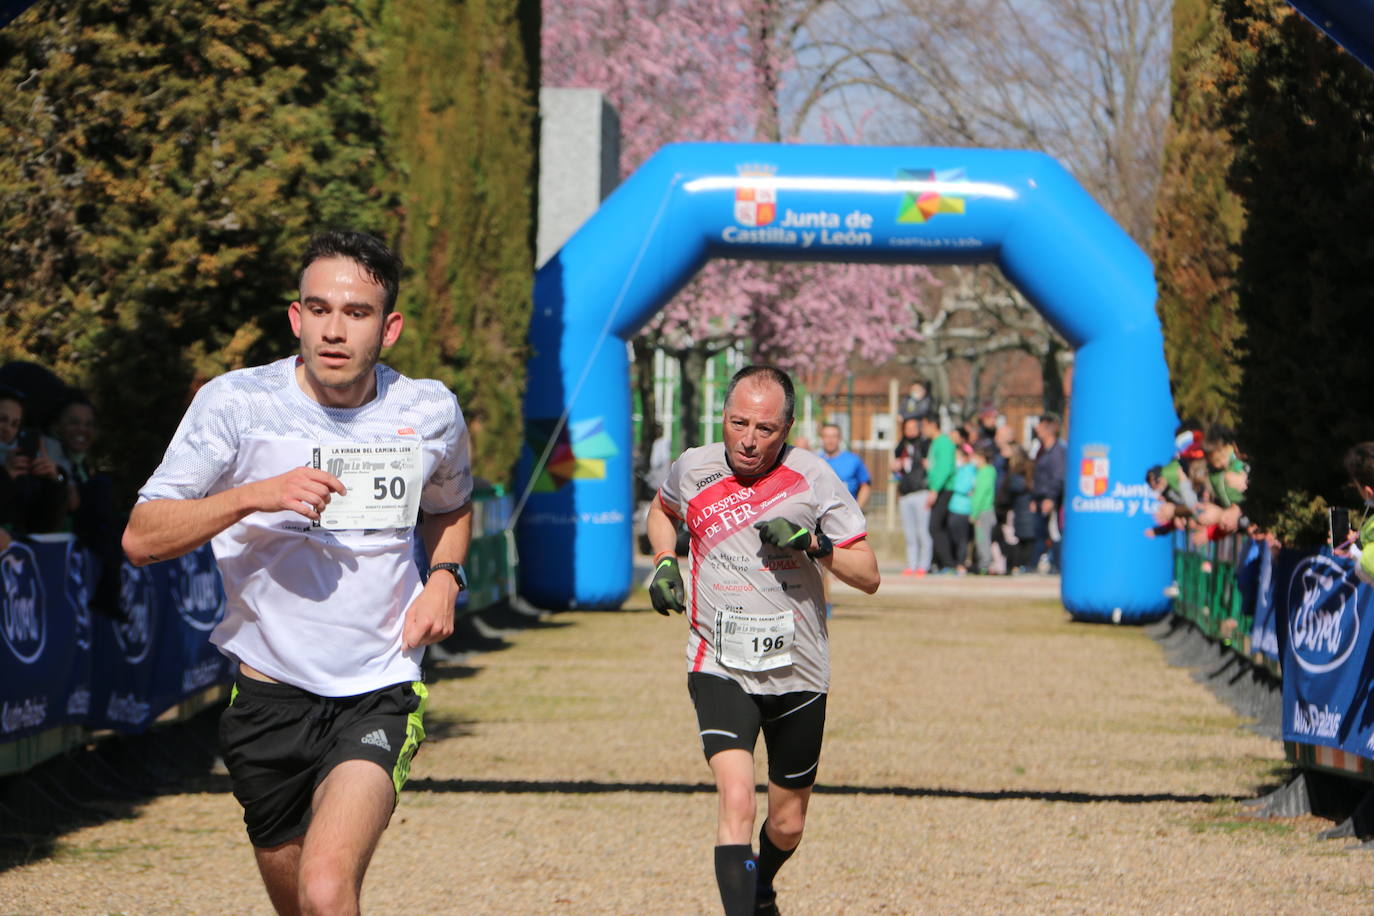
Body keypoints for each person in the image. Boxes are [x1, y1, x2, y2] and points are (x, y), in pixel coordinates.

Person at [122, 230, 474, 916]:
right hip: (267, 696)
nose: (334, 331)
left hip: (379, 683)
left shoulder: (428, 411)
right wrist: (255, 493)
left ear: (390, 327)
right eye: (318, 310)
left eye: (356, 312)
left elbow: (452, 506)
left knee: (326, 886)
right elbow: (141, 537)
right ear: (296, 318)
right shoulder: (237, 405)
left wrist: (445, 578)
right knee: (299, 904)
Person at [645, 365, 879, 916]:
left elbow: (869, 575)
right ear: (722, 418)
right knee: (736, 799)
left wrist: (814, 544)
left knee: (788, 821)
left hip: (799, 668)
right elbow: (662, 512)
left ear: (789, 428)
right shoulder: (693, 468)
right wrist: (663, 561)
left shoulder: (814, 478)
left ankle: (764, 884)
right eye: (738, 423)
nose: (748, 440)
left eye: (765, 429)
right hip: (719, 660)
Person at [0, 386, 71, 535]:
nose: (7, 429)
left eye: (15, 424)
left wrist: (54, 481)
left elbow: (43, 526)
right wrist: (5, 477)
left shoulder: (20, 468)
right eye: (2, 419)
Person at [891, 416, 930, 576]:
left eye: (914, 427)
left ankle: (924, 565)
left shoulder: (925, 444)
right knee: (909, 532)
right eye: (907, 427)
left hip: (921, 491)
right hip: (905, 493)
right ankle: (911, 564)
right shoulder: (901, 446)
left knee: (923, 531)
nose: (910, 430)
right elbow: (896, 464)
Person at [1030, 412, 1067, 574]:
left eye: (1041, 426)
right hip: (1040, 497)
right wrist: (1034, 497)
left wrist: (1050, 498)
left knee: (1054, 532)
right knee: (1040, 533)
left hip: (1052, 498)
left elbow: (1058, 476)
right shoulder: (1041, 450)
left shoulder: (1058, 451)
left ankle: (1057, 565)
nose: (1037, 429)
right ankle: (1037, 563)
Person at [921, 414, 956, 571]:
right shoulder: (935, 443)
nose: (923, 430)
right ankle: (941, 563)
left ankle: (948, 564)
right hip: (938, 488)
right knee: (939, 526)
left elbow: (945, 468)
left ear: (932, 424)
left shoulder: (944, 442)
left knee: (935, 526)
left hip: (944, 489)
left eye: (924, 426)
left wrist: (935, 490)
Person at [817, 422, 871, 511]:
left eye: (834, 436)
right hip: (820, 515)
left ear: (840, 439)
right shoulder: (815, 461)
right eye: (826, 436)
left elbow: (865, 485)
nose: (830, 440)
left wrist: (857, 509)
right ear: (822, 439)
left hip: (846, 513)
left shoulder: (853, 460)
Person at [946, 443, 975, 574]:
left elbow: (963, 487)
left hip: (963, 509)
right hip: (954, 507)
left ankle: (961, 563)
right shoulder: (960, 469)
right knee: (954, 537)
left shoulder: (969, 470)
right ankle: (955, 563)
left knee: (962, 539)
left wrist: (952, 484)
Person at [969, 445, 998, 574]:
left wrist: (974, 513)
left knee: (983, 539)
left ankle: (984, 566)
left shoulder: (986, 472)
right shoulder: (983, 472)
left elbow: (980, 494)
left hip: (983, 511)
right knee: (981, 539)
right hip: (983, 510)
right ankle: (983, 564)